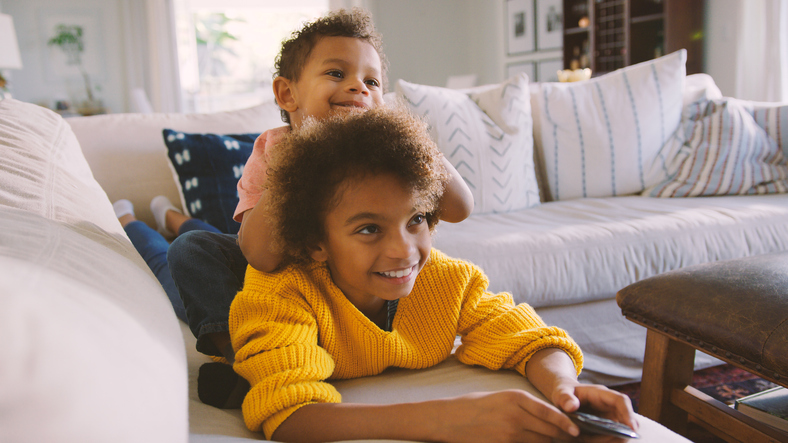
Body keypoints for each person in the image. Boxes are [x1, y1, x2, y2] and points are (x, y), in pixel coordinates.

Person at [229, 105, 638, 442]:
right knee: (187, 248)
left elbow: (526, 336)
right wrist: (444, 419)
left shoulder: (445, 279)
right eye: (369, 228)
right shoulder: (282, 292)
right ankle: (171, 221)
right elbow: (288, 414)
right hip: (242, 282)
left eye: (417, 219)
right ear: (317, 241)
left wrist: (565, 386)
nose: (404, 251)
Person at [165, 8, 474, 407]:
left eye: (372, 81)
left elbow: (460, 208)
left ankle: (166, 217)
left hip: (340, 278)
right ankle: (248, 361)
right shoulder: (274, 150)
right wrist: (301, 156)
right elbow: (259, 255)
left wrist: (410, 140)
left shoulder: (381, 153)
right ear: (287, 94)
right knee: (189, 249)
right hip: (275, 277)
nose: (358, 88)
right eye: (336, 74)